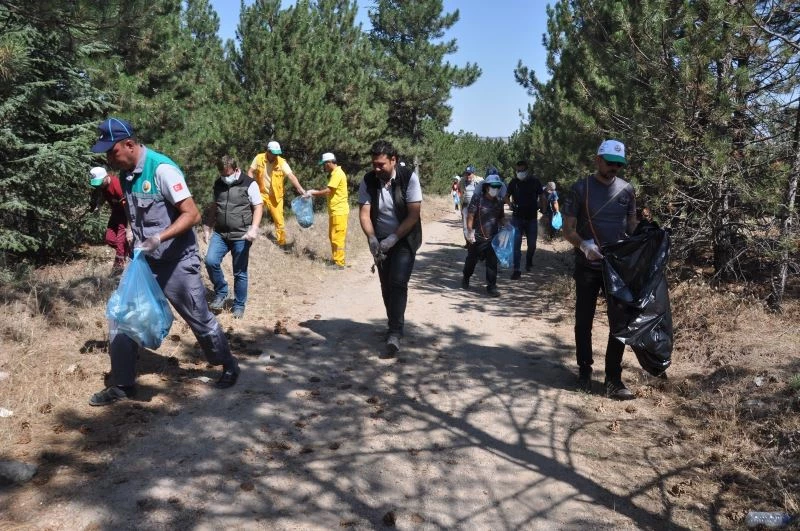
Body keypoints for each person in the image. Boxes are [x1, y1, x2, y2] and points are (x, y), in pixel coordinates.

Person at [88, 118, 240, 406]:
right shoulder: (125, 175)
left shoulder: (162, 170)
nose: (109, 158)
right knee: (122, 316)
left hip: (176, 261)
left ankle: (227, 363)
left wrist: (159, 237)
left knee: (198, 317)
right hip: (144, 262)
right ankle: (123, 385)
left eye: (112, 151)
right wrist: (134, 233)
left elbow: (192, 214)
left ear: (129, 144)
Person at [562, 139, 638, 400]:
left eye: (619, 164)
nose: (614, 168)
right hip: (587, 266)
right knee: (584, 320)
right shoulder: (580, 188)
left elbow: (632, 227)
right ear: (597, 160)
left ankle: (613, 379)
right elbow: (567, 229)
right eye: (610, 163)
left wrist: (643, 242)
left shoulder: (627, 190)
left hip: (615, 270)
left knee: (619, 323)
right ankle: (584, 371)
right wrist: (583, 246)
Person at [358, 140, 422, 355]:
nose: (376, 169)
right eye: (374, 164)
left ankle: (395, 332)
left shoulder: (408, 178)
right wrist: (372, 238)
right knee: (386, 286)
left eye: (381, 164)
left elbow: (413, 214)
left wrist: (394, 237)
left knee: (398, 282)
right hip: (380, 239)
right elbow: (365, 214)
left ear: (393, 160)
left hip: (404, 238)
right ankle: (392, 322)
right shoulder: (368, 180)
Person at [203, 155, 263, 319]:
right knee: (210, 261)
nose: (225, 178)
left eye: (228, 174)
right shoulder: (218, 183)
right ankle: (222, 291)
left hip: (242, 235)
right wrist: (207, 226)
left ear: (236, 170)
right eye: (222, 175)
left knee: (240, 272)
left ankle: (238, 305)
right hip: (221, 233)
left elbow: (258, 207)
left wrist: (254, 229)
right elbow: (215, 206)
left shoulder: (249, 184)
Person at [247, 140, 307, 246]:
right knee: (252, 213)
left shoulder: (281, 162)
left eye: (277, 154)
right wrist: (250, 186)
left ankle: (281, 242)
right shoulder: (258, 158)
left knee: (279, 220)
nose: (275, 156)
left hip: (276, 196)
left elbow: (291, 176)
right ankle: (249, 235)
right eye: (274, 154)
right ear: (268, 151)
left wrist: (300, 188)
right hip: (261, 193)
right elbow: (250, 171)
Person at [462, 174, 506, 297]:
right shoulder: (477, 199)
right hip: (477, 237)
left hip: (492, 237)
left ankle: (491, 286)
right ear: (486, 187)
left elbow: (501, 217)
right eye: (493, 186)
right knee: (471, 261)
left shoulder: (499, 201)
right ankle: (466, 277)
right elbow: (470, 215)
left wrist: (506, 226)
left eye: (498, 186)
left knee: (492, 263)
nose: (495, 188)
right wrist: (469, 231)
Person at [306, 152, 349, 268]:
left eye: (324, 164)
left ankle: (339, 263)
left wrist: (313, 192)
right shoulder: (336, 173)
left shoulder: (337, 174)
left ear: (329, 163)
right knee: (333, 236)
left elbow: (328, 191)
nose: (324, 167)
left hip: (339, 211)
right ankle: (337, 260)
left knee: (337, 237)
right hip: (335, 211)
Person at [506, 160, 543, 279]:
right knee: (516, 245)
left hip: (532, 218)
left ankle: (528, 261)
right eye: (518, 170)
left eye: (522, 170)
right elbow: (506, 196)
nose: (520, 172)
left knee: (532, 245)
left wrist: (542, 206)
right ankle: (516, 270)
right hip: (517, 218)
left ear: (527, 170)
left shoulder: (535, 181)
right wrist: (510, 204)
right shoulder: (513, 182)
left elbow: (542, 196)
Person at [88, 166, 130, 272]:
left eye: (100, 183)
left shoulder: (117, 186)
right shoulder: (103, 186)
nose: (100, 186)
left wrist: (129, 228)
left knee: (120, 241)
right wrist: (98, 206)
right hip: (115, 213)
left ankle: (118, 267)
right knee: (109, 238)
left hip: (125, 214)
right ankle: (128, 250)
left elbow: (129, 206)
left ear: (106, 177)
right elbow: (103, 196)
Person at [458, 165, 482, 246]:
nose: (468, 175)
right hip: (465, 205)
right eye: (466, 173)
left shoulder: (480, 181)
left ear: (473, 173)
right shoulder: (462, 181)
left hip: (476, 206)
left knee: (475, 224)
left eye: (469, 174)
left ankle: (475, 241)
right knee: (465, 225)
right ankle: (468, 242)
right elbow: (460, 192)